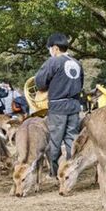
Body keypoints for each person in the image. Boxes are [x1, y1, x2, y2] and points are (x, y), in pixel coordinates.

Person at [35, 32, 84, 177]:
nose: (50, 51)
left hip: (58, 107)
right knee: (72, 141)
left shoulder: (53, 62)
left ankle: (55, 172)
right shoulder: (77, 63)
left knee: (55, 142)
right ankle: (72, 170)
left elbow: (40, 83)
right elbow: (80, 85)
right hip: (74, 106)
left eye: (50, 48)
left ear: (55, 48)